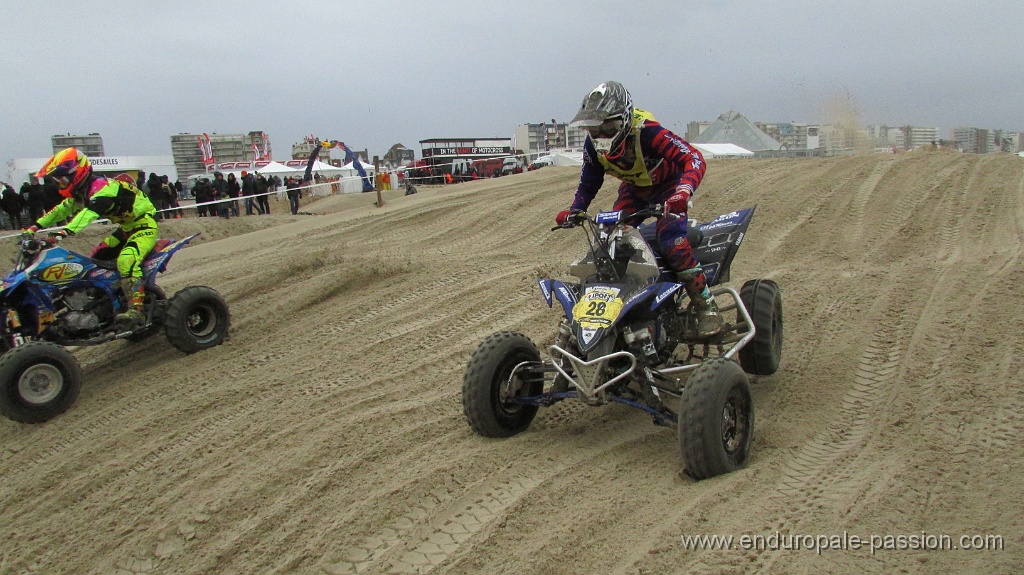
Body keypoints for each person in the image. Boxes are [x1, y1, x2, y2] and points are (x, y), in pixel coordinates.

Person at [556, 81, 721, 336]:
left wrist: (683, 191)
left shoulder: (648, 132)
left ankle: (706, 305)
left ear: (623, 119)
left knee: (672, 242)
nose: (599, 134)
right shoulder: (593, 146)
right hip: (634, 190)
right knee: (608, 243)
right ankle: (618, 310)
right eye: (593, 128)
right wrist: (575, 209)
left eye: (606, 127)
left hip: (670, 186)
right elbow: (589, 181)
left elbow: (693, 157)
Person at [28, 147, 159, 328]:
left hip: (144, 226)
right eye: (58, 180)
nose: (61, 184)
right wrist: (34, 227)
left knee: (126, 260)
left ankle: (136, 310)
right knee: (95, 261)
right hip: (125, 229)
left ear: (77, 172)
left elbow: (89, 213)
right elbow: (60, 210)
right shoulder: (82, 192)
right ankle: (105, 302)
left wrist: (63, 232)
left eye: (63, 178)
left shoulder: (102, 187)